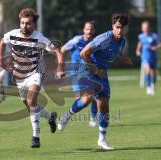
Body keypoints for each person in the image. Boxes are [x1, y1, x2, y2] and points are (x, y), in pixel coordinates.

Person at [58, 13, 132, 150]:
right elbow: (83, 54)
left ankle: (102, 139)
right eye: (117, 27)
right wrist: (96, 70)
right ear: (113, 26)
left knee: (104, 106)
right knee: (87, 99)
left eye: (122, 27)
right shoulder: (103, 39)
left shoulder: (122, 41)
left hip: (102, 73)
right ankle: (66, 116)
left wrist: (124, 58)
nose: (120, 30)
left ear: (126, 28)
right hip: (86, 69)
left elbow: (117, 51)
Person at [0, 8, 64, 148]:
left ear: (34, 24)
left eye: (28, 23)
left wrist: (60, 68)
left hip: (35, 72)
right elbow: (2, 42)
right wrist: (1, 61)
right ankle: (50, 116)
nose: (24, 26)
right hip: (19, 76)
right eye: (22, 23)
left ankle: (36, 137)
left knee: (30, 100)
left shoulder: (39, 38)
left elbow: (58, 52)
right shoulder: (13, 34)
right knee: (30, 106)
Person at [60, 21, 97, 127]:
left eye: (91, 29)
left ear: (94, 31)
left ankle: (92, 119)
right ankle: (66, 116)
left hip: (90, 72)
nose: (89, 31)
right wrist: (61, 67)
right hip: (76, 72)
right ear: (83, 30)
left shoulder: (96, 42)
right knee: (81, 100)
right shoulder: (77, 40)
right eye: (87, 29)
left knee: (96, 94)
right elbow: (62, 50)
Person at [136, 21, 161, 96]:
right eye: (144, 28)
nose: (145, 29)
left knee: (153, 72)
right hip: (145, 56)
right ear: (142, 28)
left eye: (146, 28)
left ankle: (153, 85)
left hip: (153, 56)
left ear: (149, 28)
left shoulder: (154, 36)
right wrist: (137, 50)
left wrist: (155, 47)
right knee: (147, 68)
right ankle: (148, 87)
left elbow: (160, 44)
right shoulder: (141, 36)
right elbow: (140, 43)